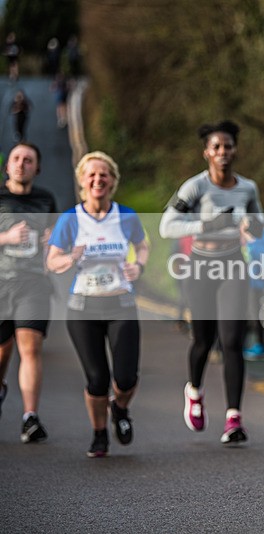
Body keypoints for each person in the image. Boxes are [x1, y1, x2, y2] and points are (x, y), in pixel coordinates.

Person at [160, 120, 264, 445]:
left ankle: (234, 417)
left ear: (236, 150)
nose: (223, 152)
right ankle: (194, 391)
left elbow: (260, 225)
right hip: (201, 266)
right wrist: (206, 225)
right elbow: (167, 226)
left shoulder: (248, 188)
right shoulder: (195, 187)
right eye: (216, 147)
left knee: (232, 340)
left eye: (228, 146)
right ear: (206, 152)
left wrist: (251, 225)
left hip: (233, 263)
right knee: (203, 340)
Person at [46, 151, 148, 458]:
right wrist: (71, 257)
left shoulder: (126, 216)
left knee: (126, 377)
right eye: (91, 174)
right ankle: (99, 433)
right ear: (81, 181)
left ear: (113, 181)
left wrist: (138, 266)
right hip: (83, 309)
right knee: (97, 379)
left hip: (121, 304)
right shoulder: (71, 219)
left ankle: (120, 409)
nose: (97, 179)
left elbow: (142, 245)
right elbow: (52, 261)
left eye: (103, 174)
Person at [0, 143, 58, 443]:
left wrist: (52, 241)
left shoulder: (45, 199)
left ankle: (30, 417)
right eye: (17, 159)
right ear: (7, 166)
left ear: (37, 168)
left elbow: (53, 239)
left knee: (30, 347)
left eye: (28, 160)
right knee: (2, 351)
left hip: (33, 284)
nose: (22, 164)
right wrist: (6, 237)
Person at [243, 222, 264, 360]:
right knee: (250, 315)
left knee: (252, 315)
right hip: (251, 284)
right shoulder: (259, 244)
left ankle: (261, 347)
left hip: (253, 285)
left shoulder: (257, 245)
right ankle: (251, 345)